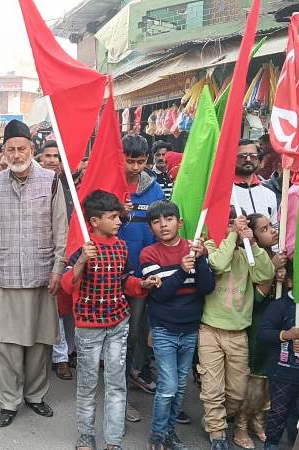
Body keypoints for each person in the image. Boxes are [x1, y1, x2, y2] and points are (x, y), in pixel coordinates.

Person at [0, 120, 67, 427]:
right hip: (5, 276)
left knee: (39, 342)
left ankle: (35, 395)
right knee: (5, 345)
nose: (16, 155)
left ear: (32, 149)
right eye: (10, 149)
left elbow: (61, 229)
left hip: (41, 275)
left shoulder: (51, 182)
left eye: (21, 149)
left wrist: (58, 268)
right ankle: (9, 401)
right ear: (4, 151)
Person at [59, 190, 159, 450]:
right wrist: (81, 260)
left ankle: (113, 440)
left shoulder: (121, 246)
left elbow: (125, 280)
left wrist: (142, 283)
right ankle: (86, 435)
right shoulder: (82, 250)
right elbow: (68, 285)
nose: (118, 222)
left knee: (116, 383)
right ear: (94, 221)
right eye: (113, 217)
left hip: (117, 323)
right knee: (88, 383)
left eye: (118, 216)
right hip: (88, 328)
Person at [139, 201, 215, 450]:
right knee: (168, 386)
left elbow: (206, 288)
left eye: (169, 219)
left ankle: (169, 431)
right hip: (164, 328)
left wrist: (201, 259)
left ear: (180, 223)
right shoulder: (149, 254)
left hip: (190, 328)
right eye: (157, 222)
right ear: (151, 228)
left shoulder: (193, 249)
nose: (164, 225)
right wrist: (182, 271)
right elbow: (160, 295)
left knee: (181, 387)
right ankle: (157, 436)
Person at [199, 214, 275, 450]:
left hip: (238, 333)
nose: (234, 226)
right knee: (212, 389)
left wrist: (251, 243)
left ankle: (215, 418)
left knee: (236, 392)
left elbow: (265, 274)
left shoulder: (249, 254)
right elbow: (218, 265)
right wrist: (231, 235)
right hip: (210, 330)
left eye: (239, 224)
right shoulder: (213, 245)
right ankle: (217, 433)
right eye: (230, 222)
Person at [118, 134, 166, 411]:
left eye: (140, 161)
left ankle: (134, 373)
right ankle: (117, 382)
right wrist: (117, 211)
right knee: (119, 331)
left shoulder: (154, 189)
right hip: (113, 272)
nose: (135, 167)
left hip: (143, 273)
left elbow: (161, 226)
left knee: (137, 330)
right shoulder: (111, 183)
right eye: (130, 161)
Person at [235, 214, 286, 449]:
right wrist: (270, 273)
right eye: (264, 229)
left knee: (269, 375)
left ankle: (259, 420)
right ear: (253, 237)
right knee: (255, 377)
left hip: (275, 325)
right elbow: (252, 299)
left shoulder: (278, 256)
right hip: (255, 325)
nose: (272, 231)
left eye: (271, 227)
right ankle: (241, 424)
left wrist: (283, 278)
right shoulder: (248, 258)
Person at [258, 265, 299, 450]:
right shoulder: (279, 306)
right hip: (281, 373)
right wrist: (285, 335)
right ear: (289, 281)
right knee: (278, 412)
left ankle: (295, 444)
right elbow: (264, 333)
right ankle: (271, 443)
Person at [38, 140, 74, 380]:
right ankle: (58, 357)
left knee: (68, 308)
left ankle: (68, 353)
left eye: (57, 156)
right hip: (42, 255)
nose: (52, 160)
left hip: (70, 253)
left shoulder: (71, 187)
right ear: (40, 159)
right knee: (53, 308)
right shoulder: (35, 185)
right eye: (48, 156)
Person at [233, 140, 278, 223]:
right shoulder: (225, 192)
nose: (248, 159)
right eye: (242, 156)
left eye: (253, 156)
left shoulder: (269, 194)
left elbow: (274, 227)